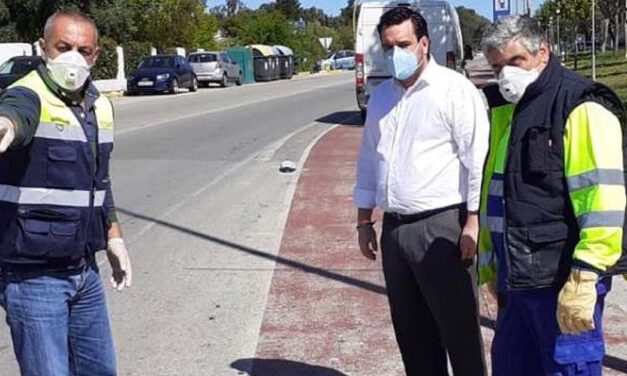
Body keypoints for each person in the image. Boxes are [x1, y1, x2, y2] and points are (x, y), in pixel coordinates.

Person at [478, 15, 627, 376]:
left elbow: (603, 202)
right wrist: (490, 267)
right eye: (498, 67)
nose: (506, 74)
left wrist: (586, 276)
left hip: (562, 283)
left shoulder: (580, 105)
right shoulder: (508, 109)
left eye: (516, 62)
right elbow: (496, 194)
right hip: (516, 284)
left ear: (542, 52)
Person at [354, 6, 489, 376]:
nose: (395, 53)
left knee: (459, 335)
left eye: (403, 44)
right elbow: (369, 159)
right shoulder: (382, 98)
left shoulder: (455, 91)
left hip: (442, 228)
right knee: (412, 337)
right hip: (394, 230)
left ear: (424, 43)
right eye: (387, 46)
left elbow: (475, 160)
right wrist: (364, 221)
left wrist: (473, 222)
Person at [0, 10, 132, 376]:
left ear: (96, 55)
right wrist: (6, 124)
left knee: (99, 370)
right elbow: (16, 113)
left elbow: (98, 182)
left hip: (84, 271)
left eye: (83, 50)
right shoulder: (28, 93)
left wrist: (114, 236)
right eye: (63, 47)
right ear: (43, 48)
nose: (73, 57)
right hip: (33, 277)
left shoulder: (99, 106)